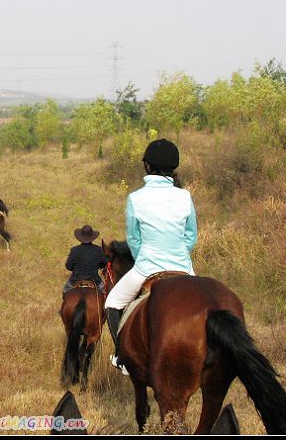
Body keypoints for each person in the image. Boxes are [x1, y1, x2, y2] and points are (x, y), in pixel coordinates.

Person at [105, 138, 198, 376]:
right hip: (184, 269)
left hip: (146, 268)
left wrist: (144, 258)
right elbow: (191, 237)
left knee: (112, 303)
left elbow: (134, 240)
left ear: (147, 166)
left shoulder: (136, 198)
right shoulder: (185, 197)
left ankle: (123, 356)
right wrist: (177, 256)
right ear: (174, 166)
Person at [62, 225, 106, 296]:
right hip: (94, 281)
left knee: (65, 291)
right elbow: (103, 264)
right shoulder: (99, 250)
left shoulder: (74, 250)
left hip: (75, 280)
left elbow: (68, 266)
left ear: (80, 237)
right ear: (92, 237)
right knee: (105, 293)